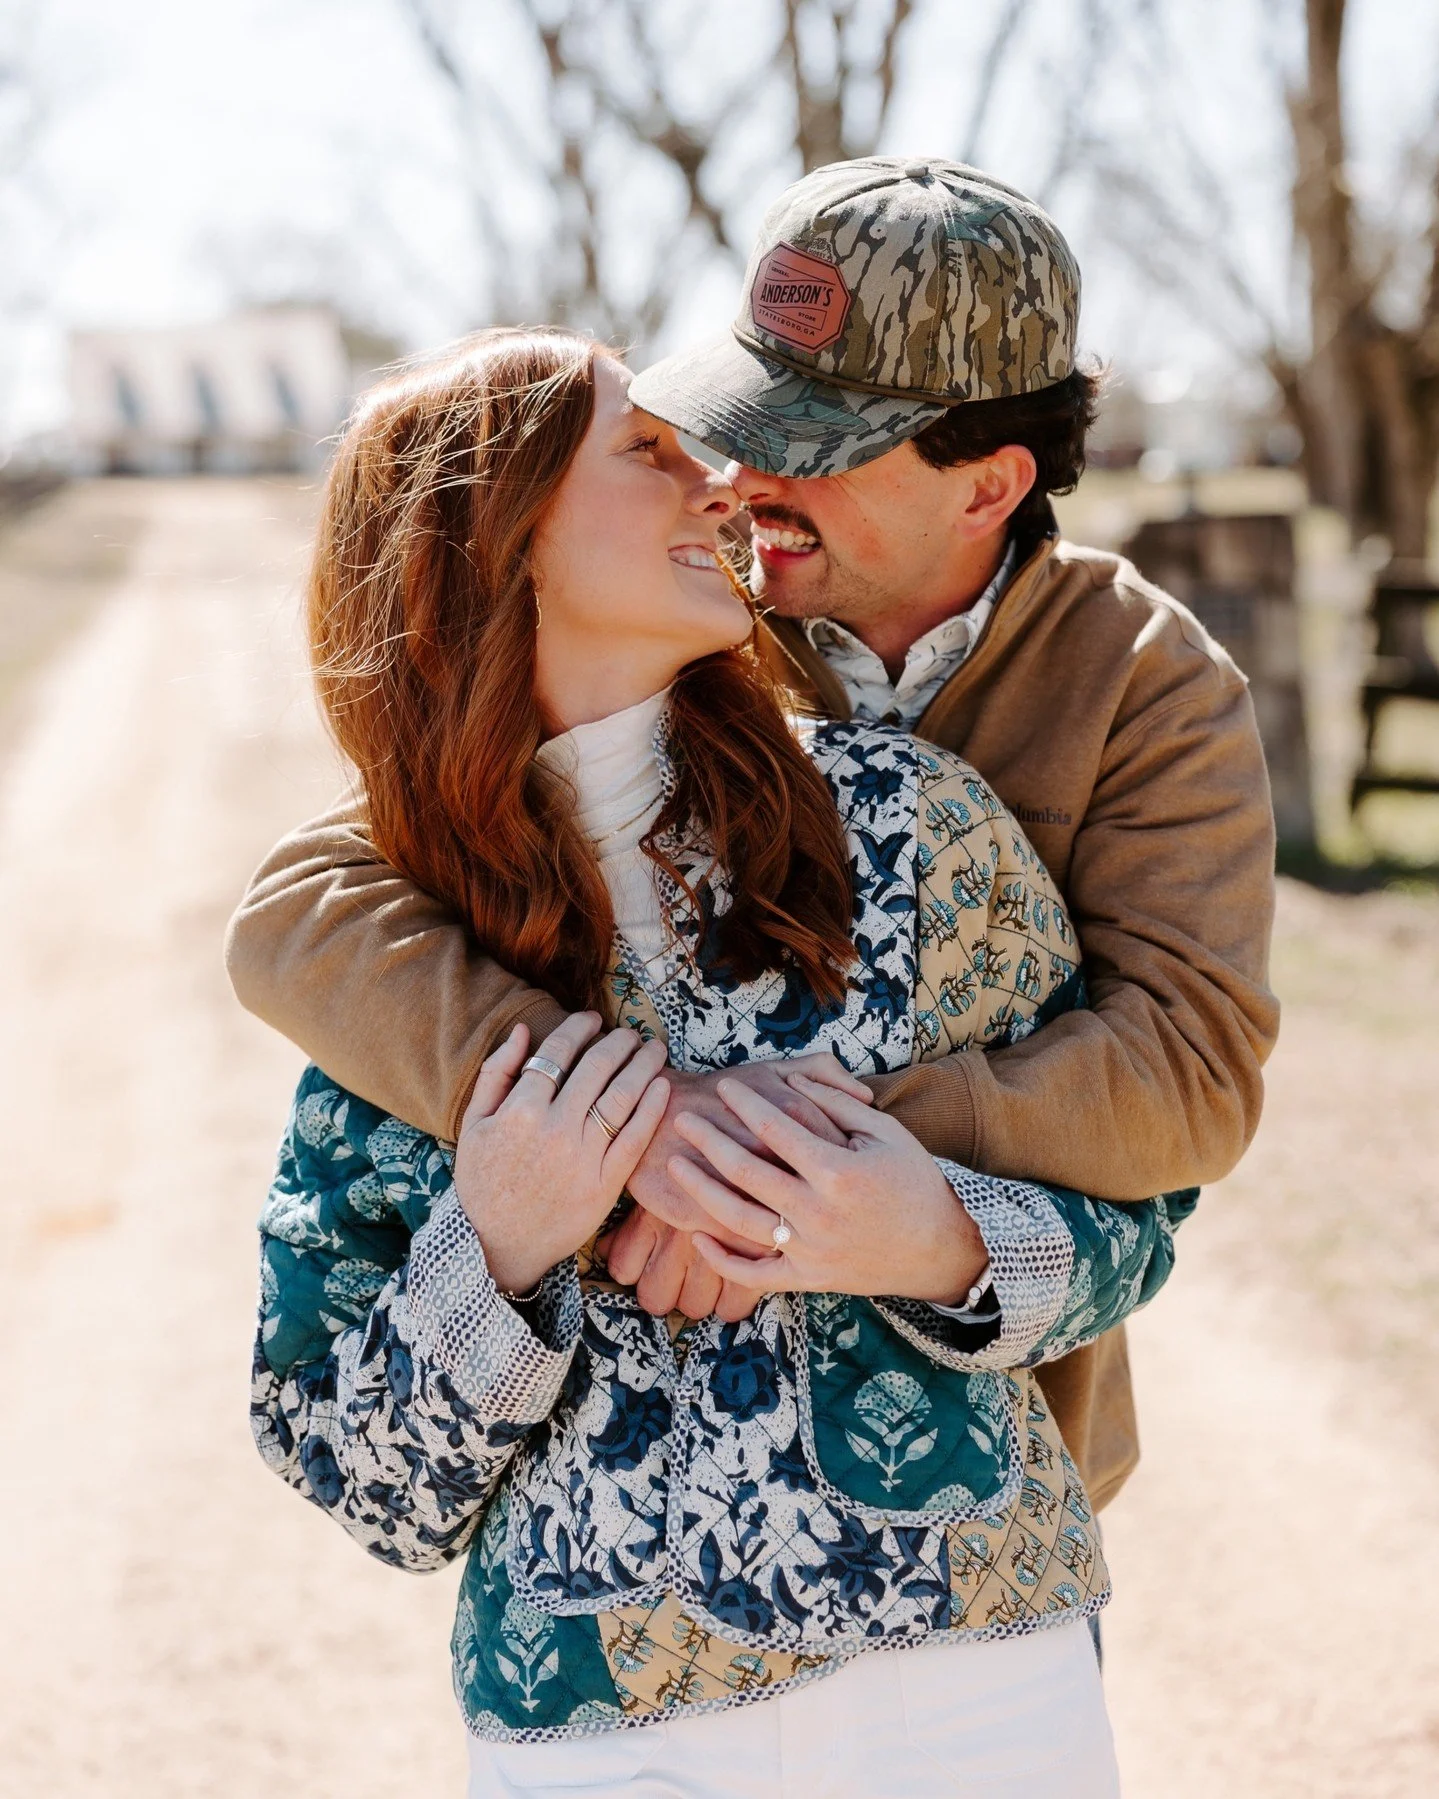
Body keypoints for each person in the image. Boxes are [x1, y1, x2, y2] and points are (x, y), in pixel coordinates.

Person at [229, 157, 1279, 1518]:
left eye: (817, 443)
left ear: (987, 485)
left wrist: (789, 1173)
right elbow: (304, 906)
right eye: (745, 411)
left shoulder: (1145, 676)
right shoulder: (682, 614)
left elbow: (1185, 1068)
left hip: (984, 1453)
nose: (743, 476)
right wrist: (645, 1129)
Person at [249, 325, 1184, 1795]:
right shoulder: (385, 954)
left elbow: (1138, 1217)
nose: (717, 488)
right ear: (491, 536)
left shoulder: (910, 831)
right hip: (596, 1725)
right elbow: (354, 1476)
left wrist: (936, 1239)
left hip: (981, 1679)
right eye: (649, 451)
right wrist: (498, 1241)